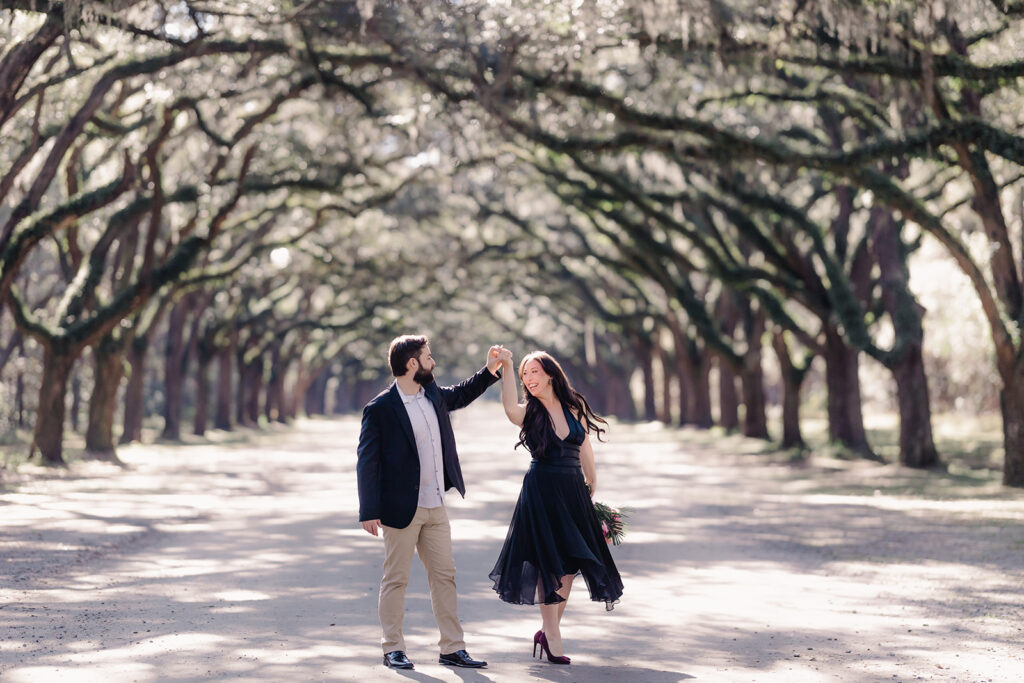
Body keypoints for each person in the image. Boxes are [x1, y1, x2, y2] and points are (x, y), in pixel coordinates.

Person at [356, 334, 502, 670]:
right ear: (412, 364)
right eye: (428, 356)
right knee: (396, 579)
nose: (432, 362)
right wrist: (369, 510)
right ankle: (393, 647)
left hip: (436, 505)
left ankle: (452, 647)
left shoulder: (432, 394)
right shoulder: (380, 409)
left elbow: (463, 393)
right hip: (399, 509)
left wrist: (489, 370)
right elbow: (368, 461)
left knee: (445, 577)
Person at [489, 349, 624, 665]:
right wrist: (507, 367)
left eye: (533, 371)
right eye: (525, 374)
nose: (529, 378)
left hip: (573, 490)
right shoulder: (528, 412)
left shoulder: (573, 406)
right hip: (542, 491)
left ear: (549, 374)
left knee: (570, 565)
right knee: (548, 563)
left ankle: (547, 630)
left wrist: (593, 480)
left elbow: (584, 445)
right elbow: (509, 406)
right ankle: (552, 636)